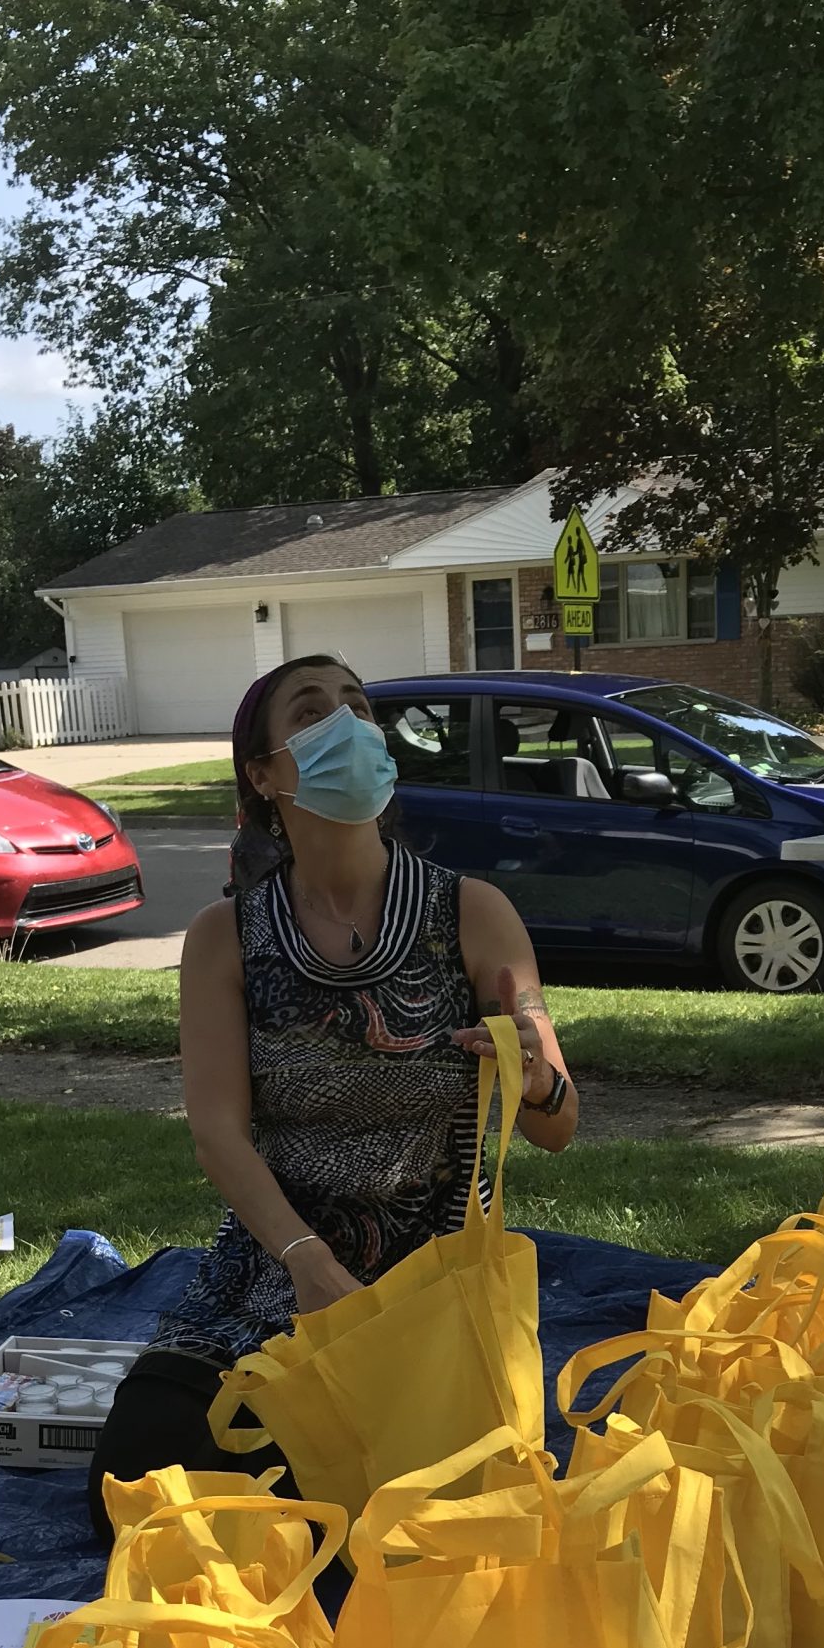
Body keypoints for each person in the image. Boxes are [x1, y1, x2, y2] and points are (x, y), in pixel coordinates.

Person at [85, 652, 580, 1539]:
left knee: (399, 1520)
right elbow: (219, 1133)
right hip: (278, 1260)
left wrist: (534, 1074)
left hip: (431, 1283)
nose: (349, 724)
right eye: (313, 712)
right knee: (139, 1489)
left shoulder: (473, 912)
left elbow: (560, 1124)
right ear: (265, 773)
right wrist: (306, 1262)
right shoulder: (224, 938)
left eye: (358, 706)